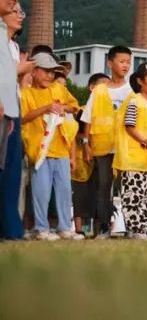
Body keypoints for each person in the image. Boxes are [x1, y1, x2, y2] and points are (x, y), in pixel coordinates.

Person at [20, 53, 81, 240]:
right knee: (41, 191)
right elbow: (23, 117)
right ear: (34, 71)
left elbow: (74, 106)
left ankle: (65, 227)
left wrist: (63, 108)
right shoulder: (27, 93)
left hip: (61, 147)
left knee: (63, 190)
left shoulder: (58, 89)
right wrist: (45, 108)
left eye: (52, 72)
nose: (49, 76)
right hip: (39, 151)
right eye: (45, 71)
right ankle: (41, 228)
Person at [82, 45, 134, 238]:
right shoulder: (99, 90)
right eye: (122, 61)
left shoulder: (132, 90)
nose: (126, 65)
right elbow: (87, 117)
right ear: (110, 63)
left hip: (126, 147)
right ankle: (103, 227)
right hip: (103, 147)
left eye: (128, 62)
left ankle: (132, 227)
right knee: (104, 187)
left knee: (128, 187)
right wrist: (86, 144)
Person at [114, 63, 147, 240]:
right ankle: (135, 228)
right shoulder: (134, 100)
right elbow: (130, 126)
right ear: (140, 81)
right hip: (134, 156)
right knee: (134, 193)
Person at [0, 0, 29, 241]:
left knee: (10, 173)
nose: (15, 0)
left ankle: (11, 228)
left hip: (11, 107)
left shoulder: (12, 44)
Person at [73, 73, 107, 235]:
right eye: (102, 85)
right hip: (83, 160)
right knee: (80, 193)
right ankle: (78, 228)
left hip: (102, 157)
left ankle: (99, 228)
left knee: (99, 192)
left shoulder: (107, 112)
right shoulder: (82, 111)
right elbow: (76, 134)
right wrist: (87, 143)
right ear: (92, 87)